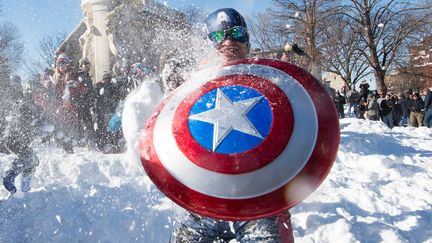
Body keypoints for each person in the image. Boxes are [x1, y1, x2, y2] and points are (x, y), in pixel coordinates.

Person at [170, 8, 294, 242]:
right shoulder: (193, 84)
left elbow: (296, 126)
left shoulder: (269, 79)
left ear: (247, 39)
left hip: (260, 199)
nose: (227, 41)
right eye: (218, 36)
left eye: (236, 33)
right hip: (206, 199)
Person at [2, 84, 43, 193]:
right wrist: (36, 126)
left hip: (19, 140)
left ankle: (25, 188)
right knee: (28, 158)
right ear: (29, 94)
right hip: (13, 139)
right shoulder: (24, 106)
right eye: (36, 93)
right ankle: (9, 177)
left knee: (33, 160)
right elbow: (21, 123)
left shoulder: (32, 107)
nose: (39, 96)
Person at [77, 57, 96, 148]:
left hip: (87, 104)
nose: (87, 66)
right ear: (81, 66)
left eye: (88, 64)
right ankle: (86, 142)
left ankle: (88, 142)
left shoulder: (87, 75)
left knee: (89, 123)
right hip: (82, 104)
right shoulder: (80, 76)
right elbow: (80, 90)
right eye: (85, 64)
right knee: (86, 123)